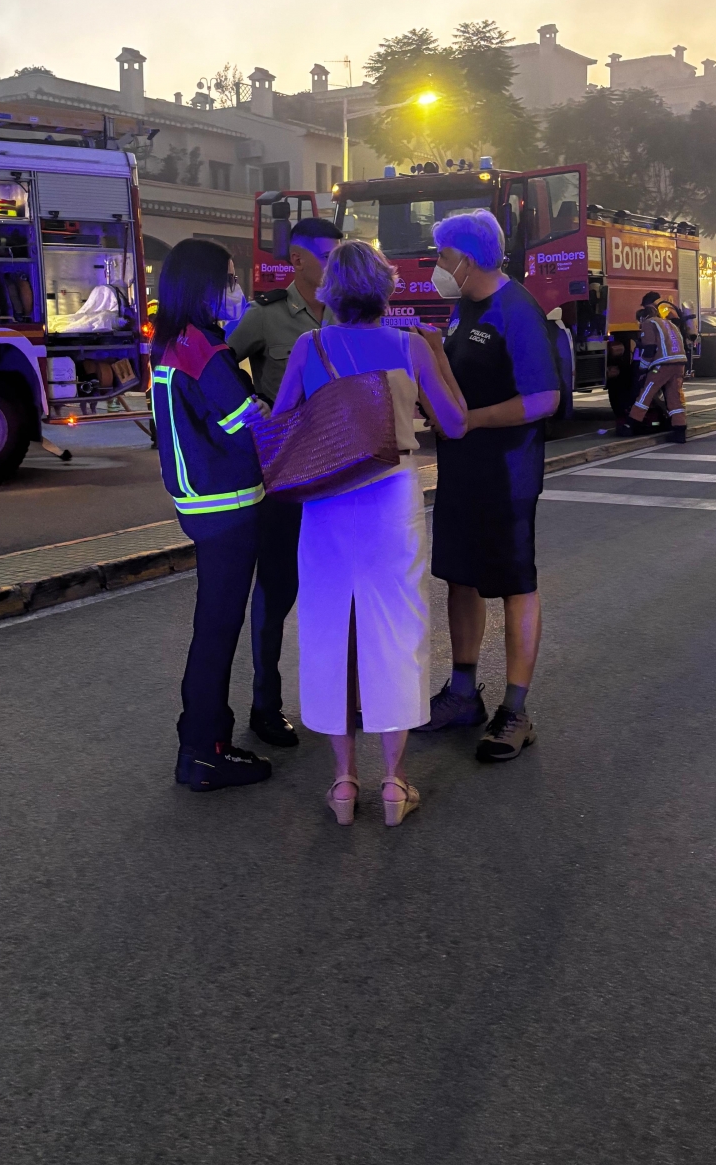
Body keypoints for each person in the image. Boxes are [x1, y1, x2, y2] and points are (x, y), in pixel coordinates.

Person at [274, 240, 467, 826]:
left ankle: (342, 780)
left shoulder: (309, 346)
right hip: (391, 500)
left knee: (329, 626)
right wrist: (439, 356)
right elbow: (455, 423)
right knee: (396, 628)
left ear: (331, 290)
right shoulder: (411, 346)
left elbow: (282, 425)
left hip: (326, 501)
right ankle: (393, 782)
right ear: (385, 289)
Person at [422, 209, 561, 762]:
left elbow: (543, 398)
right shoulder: (464, 307)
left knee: (514, 585)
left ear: (468, 258)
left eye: (442, 255)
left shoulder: (516, 310)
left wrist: (471, 420)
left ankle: (516, 712)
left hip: (507, 473)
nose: (436, 265)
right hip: (461, 469)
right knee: (460, 578)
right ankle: (462, 694)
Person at [151, 239, 271, 793]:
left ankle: (201, 737)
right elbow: (251, 427)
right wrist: (265, 408)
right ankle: (204, 750)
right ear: (202, 287)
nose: (237, 289)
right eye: (228, 279)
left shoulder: (175, 342)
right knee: (218, 631)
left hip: (198, 504)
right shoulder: (207, 353)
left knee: (212, 626)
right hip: (229, 506)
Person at [228, 216, 342, 747]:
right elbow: (219, 368)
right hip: (282, 473)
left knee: (335, 587)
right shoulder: (266, 316)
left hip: (337, 471)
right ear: (298, 260)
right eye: (328, 256)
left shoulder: (347, 313)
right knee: (277, 589)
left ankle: (335, 694)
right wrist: (254, 408)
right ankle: (265, 704)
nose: (337, 265)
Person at [617, 291, 689, 443]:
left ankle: (631, 424)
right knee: (675, 397)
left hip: (663, 364)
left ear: (643, 316)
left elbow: (649, 349)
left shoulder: (649, 323)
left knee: (646, 392)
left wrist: (642, 369)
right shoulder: (668, 323)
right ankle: (679, 430)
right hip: (679, 363)